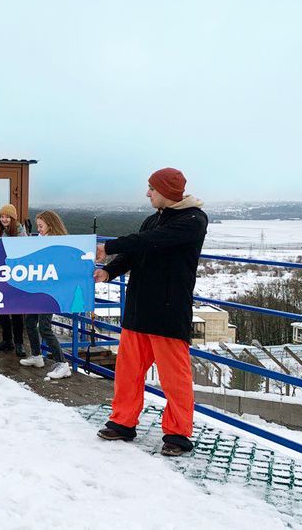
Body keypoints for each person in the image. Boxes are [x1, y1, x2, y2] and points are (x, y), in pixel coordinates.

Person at [94, 167, 207, 456]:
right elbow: (134, 253)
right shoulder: (152, 219)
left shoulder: (193, 220)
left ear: (166, 191)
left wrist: (108, 246)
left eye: (152, 189)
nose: (147, 193)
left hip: (168, 312)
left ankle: (177, 434)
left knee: (174, 379)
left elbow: (150, 240)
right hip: (138, 309)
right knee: (127, 373)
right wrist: (108, 271)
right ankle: (122, 422)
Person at [20, 210, 72, 379]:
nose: (39, 229)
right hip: (39, 289)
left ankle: (62, 363)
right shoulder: (41, 241)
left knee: (44, 327)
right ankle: (37, 355)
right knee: (29, 320)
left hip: (51, 291)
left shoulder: (58, 243)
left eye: (41, 226)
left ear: (50, 225)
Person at [0, 204, 28, 357]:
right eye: (2, 216)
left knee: (16, 310)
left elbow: (24, 253)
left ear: (13, 218)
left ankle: (19, 343)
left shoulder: (20, 233)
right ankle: (7, 340)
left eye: (7, 217)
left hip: (15, 276)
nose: (4, 219)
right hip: (0, 275)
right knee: (2, 309)